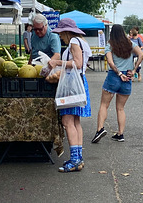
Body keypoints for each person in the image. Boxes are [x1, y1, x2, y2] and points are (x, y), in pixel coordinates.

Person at [50, 18, 92, 172]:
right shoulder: (82, 41)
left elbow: (78, 63)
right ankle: (78, 157)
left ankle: (74, 159)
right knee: (75, 121)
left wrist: (58, 63)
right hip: (80, 83)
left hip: (72, 85)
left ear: (66, 32)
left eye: (61, 33)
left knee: (67, 121)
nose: (60, 36)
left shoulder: (74, 41)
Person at [91, 24, 143, 143]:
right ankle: (120, 133)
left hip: (115, 76)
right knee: (120, 108)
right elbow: (141, 54)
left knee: (104, 105)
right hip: (128, 77)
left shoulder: (110, 45)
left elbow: (110, 62)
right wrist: (134, 70)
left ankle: (100, 129)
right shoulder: (130, 44)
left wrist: (119, 73)